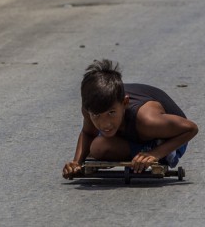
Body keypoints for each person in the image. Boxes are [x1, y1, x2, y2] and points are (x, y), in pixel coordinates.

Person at [63, 59, 198, 178]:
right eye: (96, 115)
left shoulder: (147, 120)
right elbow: (88, 133)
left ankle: (153, 148)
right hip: (129, 130)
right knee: (98, 147)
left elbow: (191, 128)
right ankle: (134, 148)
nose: (104, 124)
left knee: (98, 147)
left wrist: (155, 154)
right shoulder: (91, 107)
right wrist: (76, 163)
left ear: (125, 102)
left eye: (111, 113)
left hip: (168, 137)